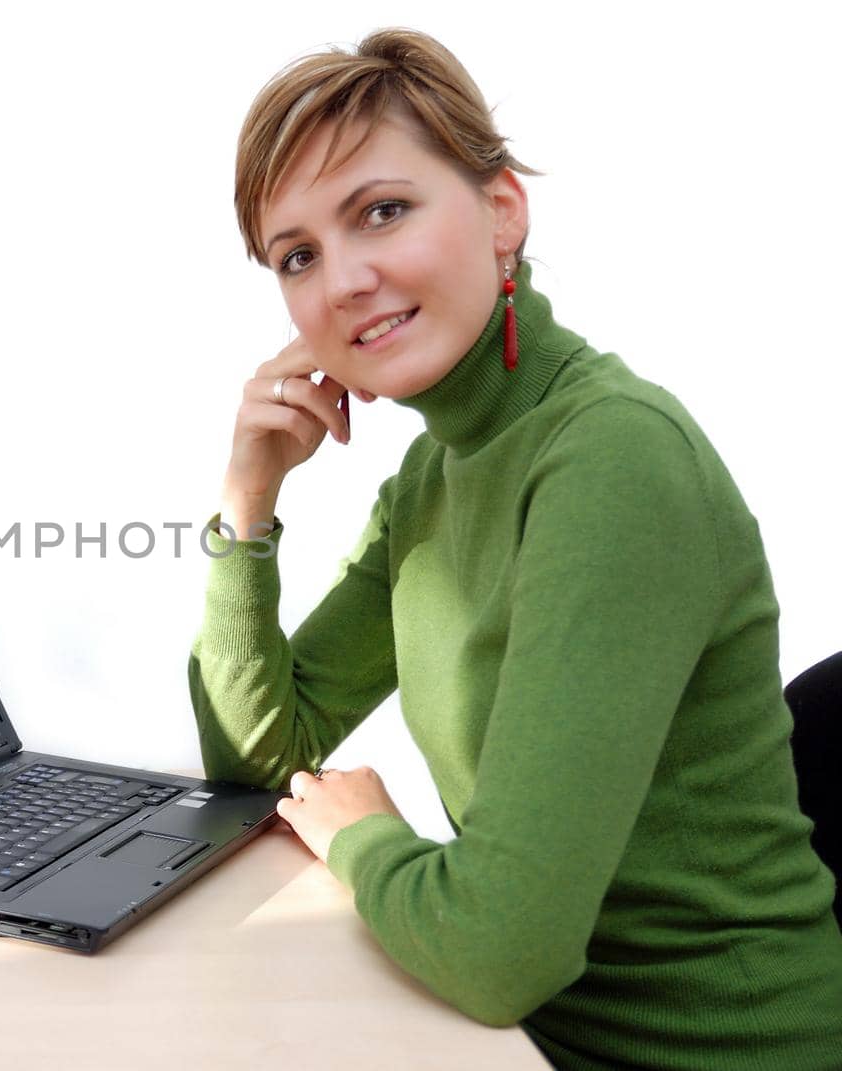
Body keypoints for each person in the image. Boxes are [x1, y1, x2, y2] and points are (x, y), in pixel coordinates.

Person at [187, 26, 842, 1071]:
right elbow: (261, 762)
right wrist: (246, 505)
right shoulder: (434, 474)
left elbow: (499, 951)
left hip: (695, 1055)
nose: (342, 279)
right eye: (296, 255)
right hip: (528, 1036)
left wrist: (364, 836)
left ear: (501, 213)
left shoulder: (611, 462)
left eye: (382, 211)